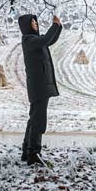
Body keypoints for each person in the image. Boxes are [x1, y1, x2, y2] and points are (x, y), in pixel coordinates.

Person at [18, 13, 62, 165]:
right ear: (27, 26)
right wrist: (54, 25)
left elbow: (49, 40)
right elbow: (45, 39)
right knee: (38, 121)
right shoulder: (29, 40)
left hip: (40, 86)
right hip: (38, 86)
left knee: (34, 119)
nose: (36, 25)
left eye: (36, 23)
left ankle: (27, 151)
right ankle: (33, 155)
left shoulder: (34, 41)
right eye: (33, 23)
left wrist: (58, 27)